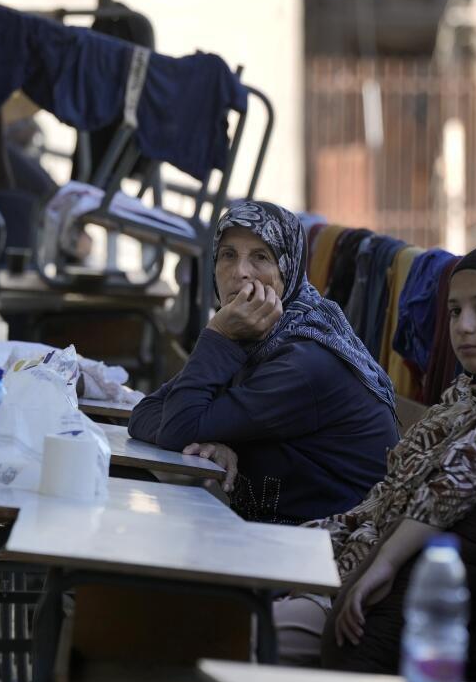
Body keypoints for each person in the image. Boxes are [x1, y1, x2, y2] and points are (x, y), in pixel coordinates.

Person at [273, 241, 476, 665]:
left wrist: (384, 563)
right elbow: (380, 502)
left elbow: (457, 478)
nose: (464, 326)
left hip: (370, 605)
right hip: (340, 562)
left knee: (217, 633)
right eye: (455, 311)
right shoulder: (467, 392)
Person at [128, 200, 399, 524]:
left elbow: (178, 427)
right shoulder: (253, 337)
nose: (240, 272)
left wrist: (218, 334)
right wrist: (214, 438)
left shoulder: (304, 361)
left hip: (327, 554)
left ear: (288, 269)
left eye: (260, 257)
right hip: (273, 538)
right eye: (228, 255)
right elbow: (144, 414)